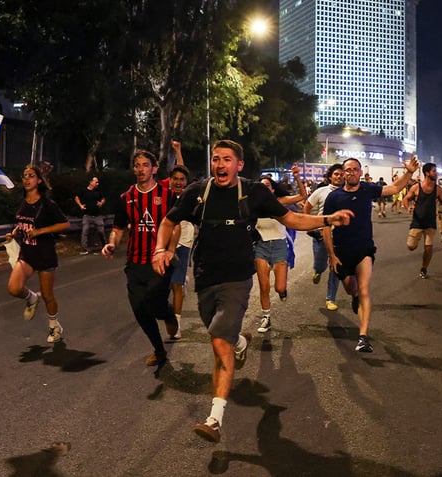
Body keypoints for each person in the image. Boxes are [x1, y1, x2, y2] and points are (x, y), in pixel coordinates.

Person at [151, 139, 354, 443]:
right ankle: (239, 345)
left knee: (218, 341)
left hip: (237, 280)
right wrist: (159, 250)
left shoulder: (254, 192)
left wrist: (328, 219)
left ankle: (215, 418)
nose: (220, 165)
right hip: (206, 279)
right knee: (221, 337)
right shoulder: (198, 193)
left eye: (227, 159)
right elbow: (168, 221)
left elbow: (293, 219)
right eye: (216, 159)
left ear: (239, 164)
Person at [323, 156, 419, 353]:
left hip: (364, 249)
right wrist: (331, 255)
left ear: (360, 172)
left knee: (365, 290)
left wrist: (409, 172)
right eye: (347, 170)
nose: (351, 173)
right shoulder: (334, 197)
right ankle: (355, 296)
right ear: (343, 174)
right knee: (352, 289)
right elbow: (325, 227)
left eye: (355, 169)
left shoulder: (368, 189)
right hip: (342, 251)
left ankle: (363, 337)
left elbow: (393, 189)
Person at [103, 150, 180, 366]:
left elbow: (175, 227)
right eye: (137, 165)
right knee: (138, 308)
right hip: (135, 262)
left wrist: (170, 250)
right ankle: (159, 350)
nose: (141, 169)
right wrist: (111, 243)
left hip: (160, 261)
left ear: (154, 169)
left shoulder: (167, 195)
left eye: (146, 165)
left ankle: (168, 313)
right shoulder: (126, 198)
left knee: (154, 303)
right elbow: (117, 228)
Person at [6, 165, 71, 344]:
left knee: (48, 295)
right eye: (25, 176)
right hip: (27, 253)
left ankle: (54, 326)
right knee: (13, 288)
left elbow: (65, 224)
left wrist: (41, 231)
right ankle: (32, 298)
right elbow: (22, 222)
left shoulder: (47, 204)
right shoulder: (22, 201)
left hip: (44, 254)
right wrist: (15, 231)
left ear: (39, 180)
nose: (26, 179)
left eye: (31, 176)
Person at [254, 165, 308, 333]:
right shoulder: (253, 204)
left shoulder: (280, 201)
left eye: (267, 186)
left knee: (279, 287)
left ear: (272, 189)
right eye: (261, 186)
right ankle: (266, 317)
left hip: (279, 246)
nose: (265, 188)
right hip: (261, 246)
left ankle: (283, 292)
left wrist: (297, 176)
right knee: (263, 286)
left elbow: (303, 195)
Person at [302, 163, 344, 310]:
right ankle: (318, 270)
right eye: (336, 174)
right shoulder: (321, 191)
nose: (339, 177)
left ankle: (330, 299)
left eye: (341, 174)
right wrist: (310, 225)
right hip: (321, 234)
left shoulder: (349, 192)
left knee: (336, 266)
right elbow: (307, 206)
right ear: (330, 176)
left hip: (340, 237)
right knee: (321, 264)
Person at [402, 163, 442, 279]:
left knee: (428, 248)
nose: (436, 173)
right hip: (417, 222)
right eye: (433, 171)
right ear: (427, 173)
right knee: (411, 246)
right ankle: (415, 245)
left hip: (430, 223)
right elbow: (406, 199)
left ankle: (424, 268)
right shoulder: (416, 187)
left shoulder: (438, 190)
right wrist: (408, 207)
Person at [168, 164, 192, 340]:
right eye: (175, 178)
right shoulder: (163, 196)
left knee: (176, 285)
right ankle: (183, 278)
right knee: (164, 285)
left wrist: (177, 151)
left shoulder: (189, 197)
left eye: (182, 179)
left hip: (184, 242)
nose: (178, 182)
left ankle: (176, 323)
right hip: (164, 244)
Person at [74, 176, 106, 254]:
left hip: (97, 215)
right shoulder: (84, 191)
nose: (97, 184)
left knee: (101, 231)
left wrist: (101, 203)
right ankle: (85, 249)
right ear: (91, 182)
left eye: (98, 182)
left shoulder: (98, 191)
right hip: (87, 215)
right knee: (85, 231)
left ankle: (104, 246)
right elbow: (76, 197)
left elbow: (103, 199)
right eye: (96, 182)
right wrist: (80, 205)